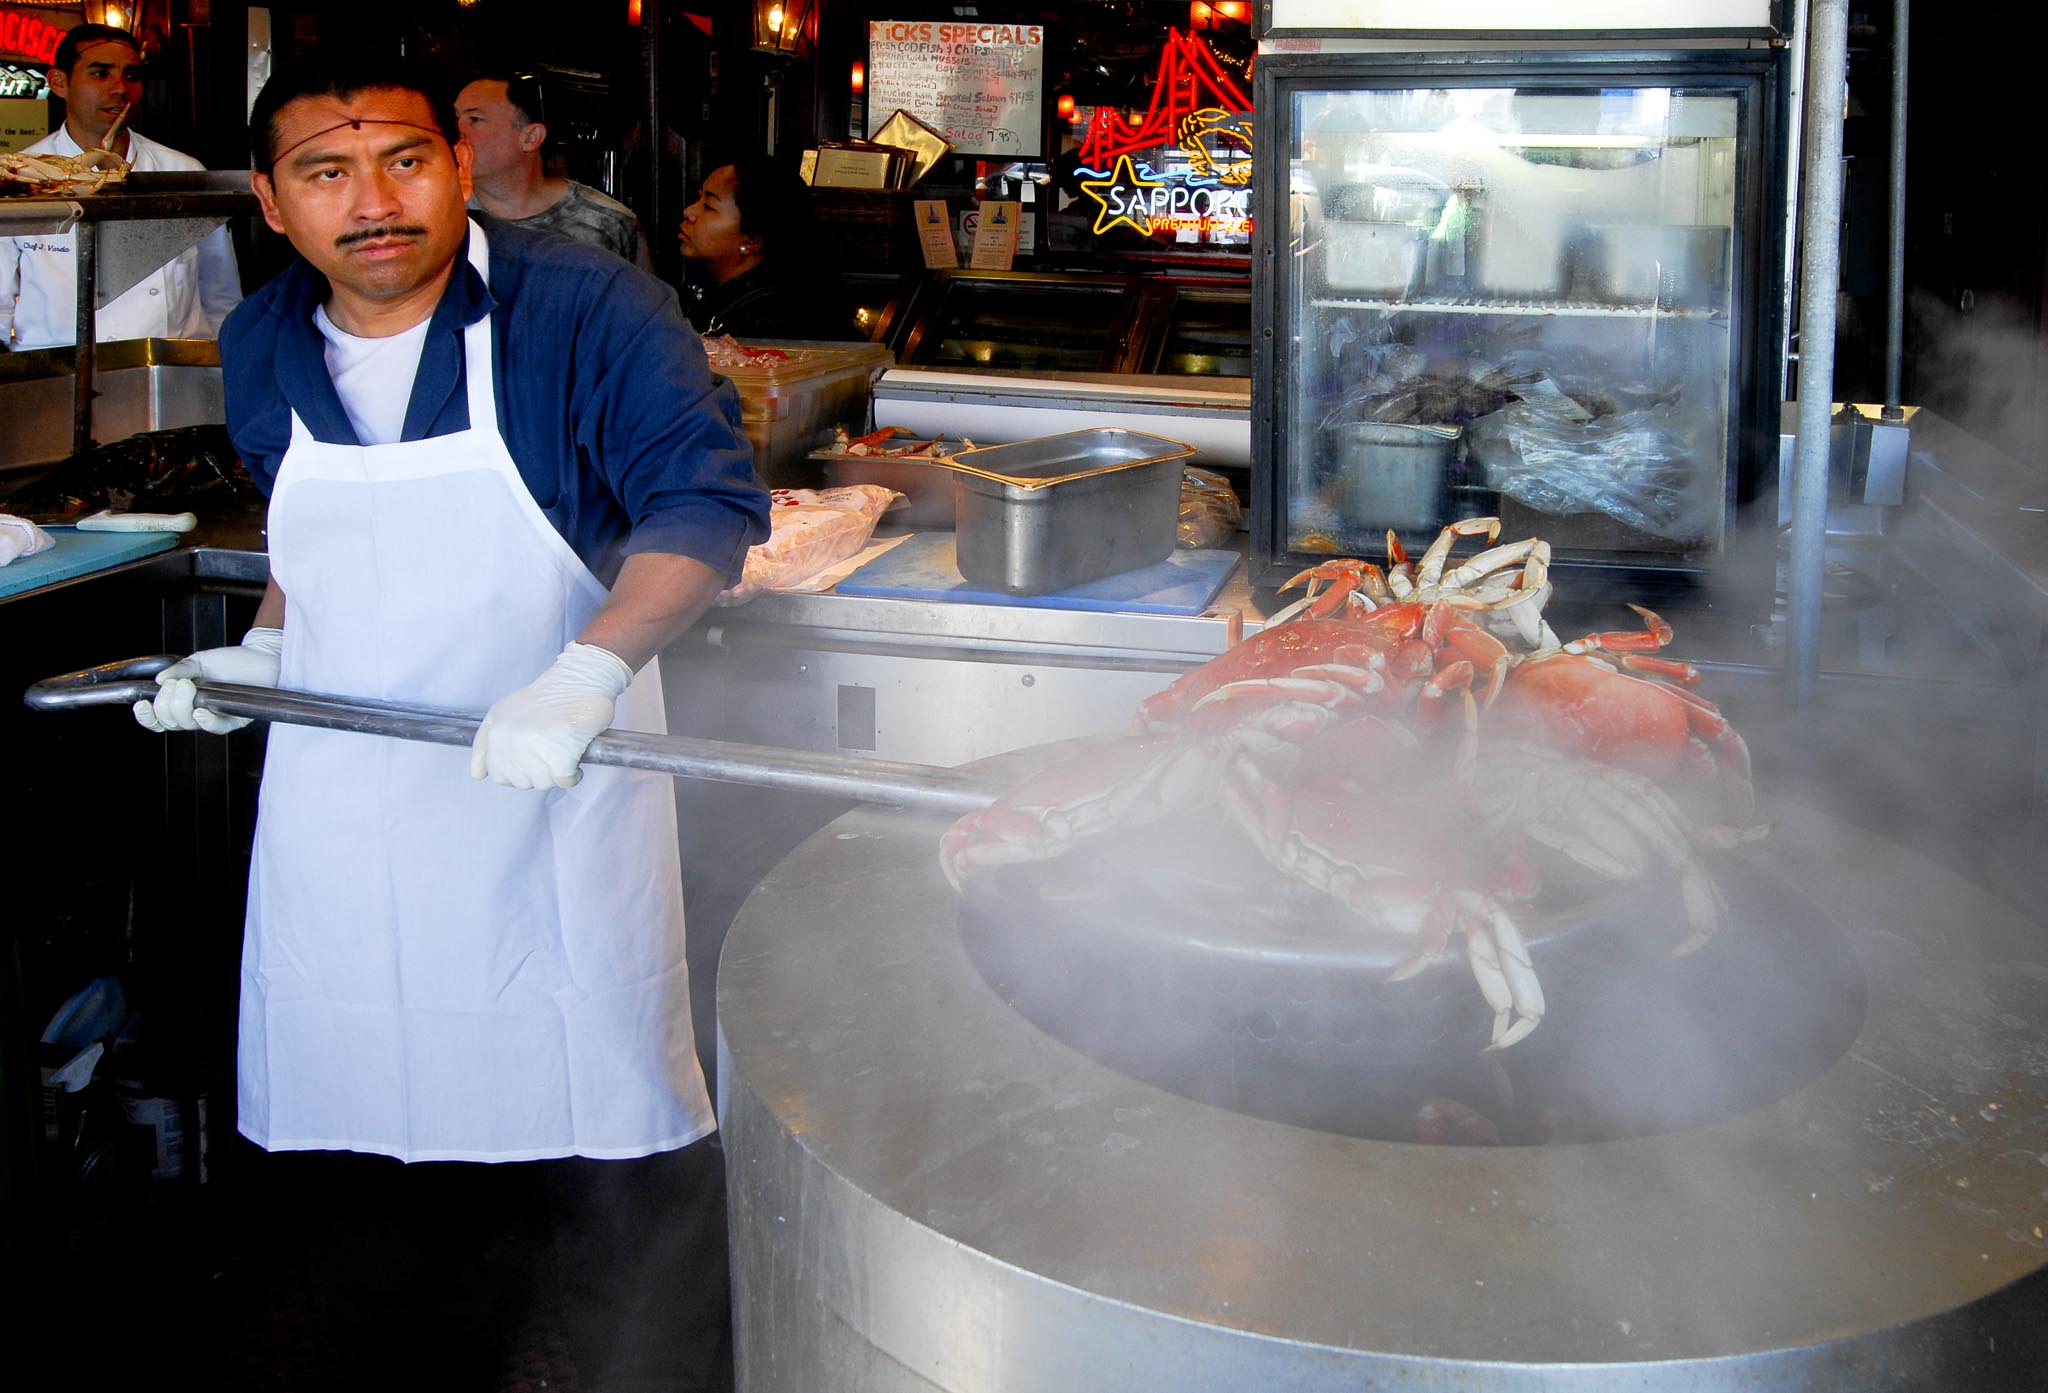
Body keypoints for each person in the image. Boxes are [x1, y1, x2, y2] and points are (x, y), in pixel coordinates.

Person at [130, 56, 768, 1392]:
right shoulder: (261, 339)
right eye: (326, 172)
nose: (373, 201)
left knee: (605, 1164)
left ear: (459, 166)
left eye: (404, 161)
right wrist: (258, 653)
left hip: (550, 794)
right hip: (349, 816)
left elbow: (702, 511)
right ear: (272, 202)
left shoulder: (583, 309)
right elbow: (312, 538)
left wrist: (586, 674)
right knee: (372, 1159)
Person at [0, 24, 241, 350]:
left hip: (168, 373)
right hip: (56, 377)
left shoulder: (181, 171)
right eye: (100, 74)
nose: (120, 89)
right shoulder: (20, 179)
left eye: (131, 76)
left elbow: (221, 295)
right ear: (59, 83)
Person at [455, 69, 652, 270]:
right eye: (456, 119)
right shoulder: (443, 215)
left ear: (531, 138)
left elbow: (643, 299)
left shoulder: (607, 224)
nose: (457, 132)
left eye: (475, 119)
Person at [677, 155, 846, 339]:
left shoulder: (772, 320)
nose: (689, 212)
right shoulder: (699, 290)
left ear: (752, 240)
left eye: (708, 206)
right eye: (698, 198)